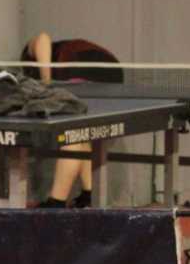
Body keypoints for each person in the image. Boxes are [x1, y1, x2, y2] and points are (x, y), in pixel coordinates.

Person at [22, 32, 120, 208]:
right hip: (112, 72)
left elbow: (43, 38)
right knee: (82, 134)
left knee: (71, 133)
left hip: (81, 66)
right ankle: (89, 194)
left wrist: (46, 82)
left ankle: (56, 202)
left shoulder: (27, 57)